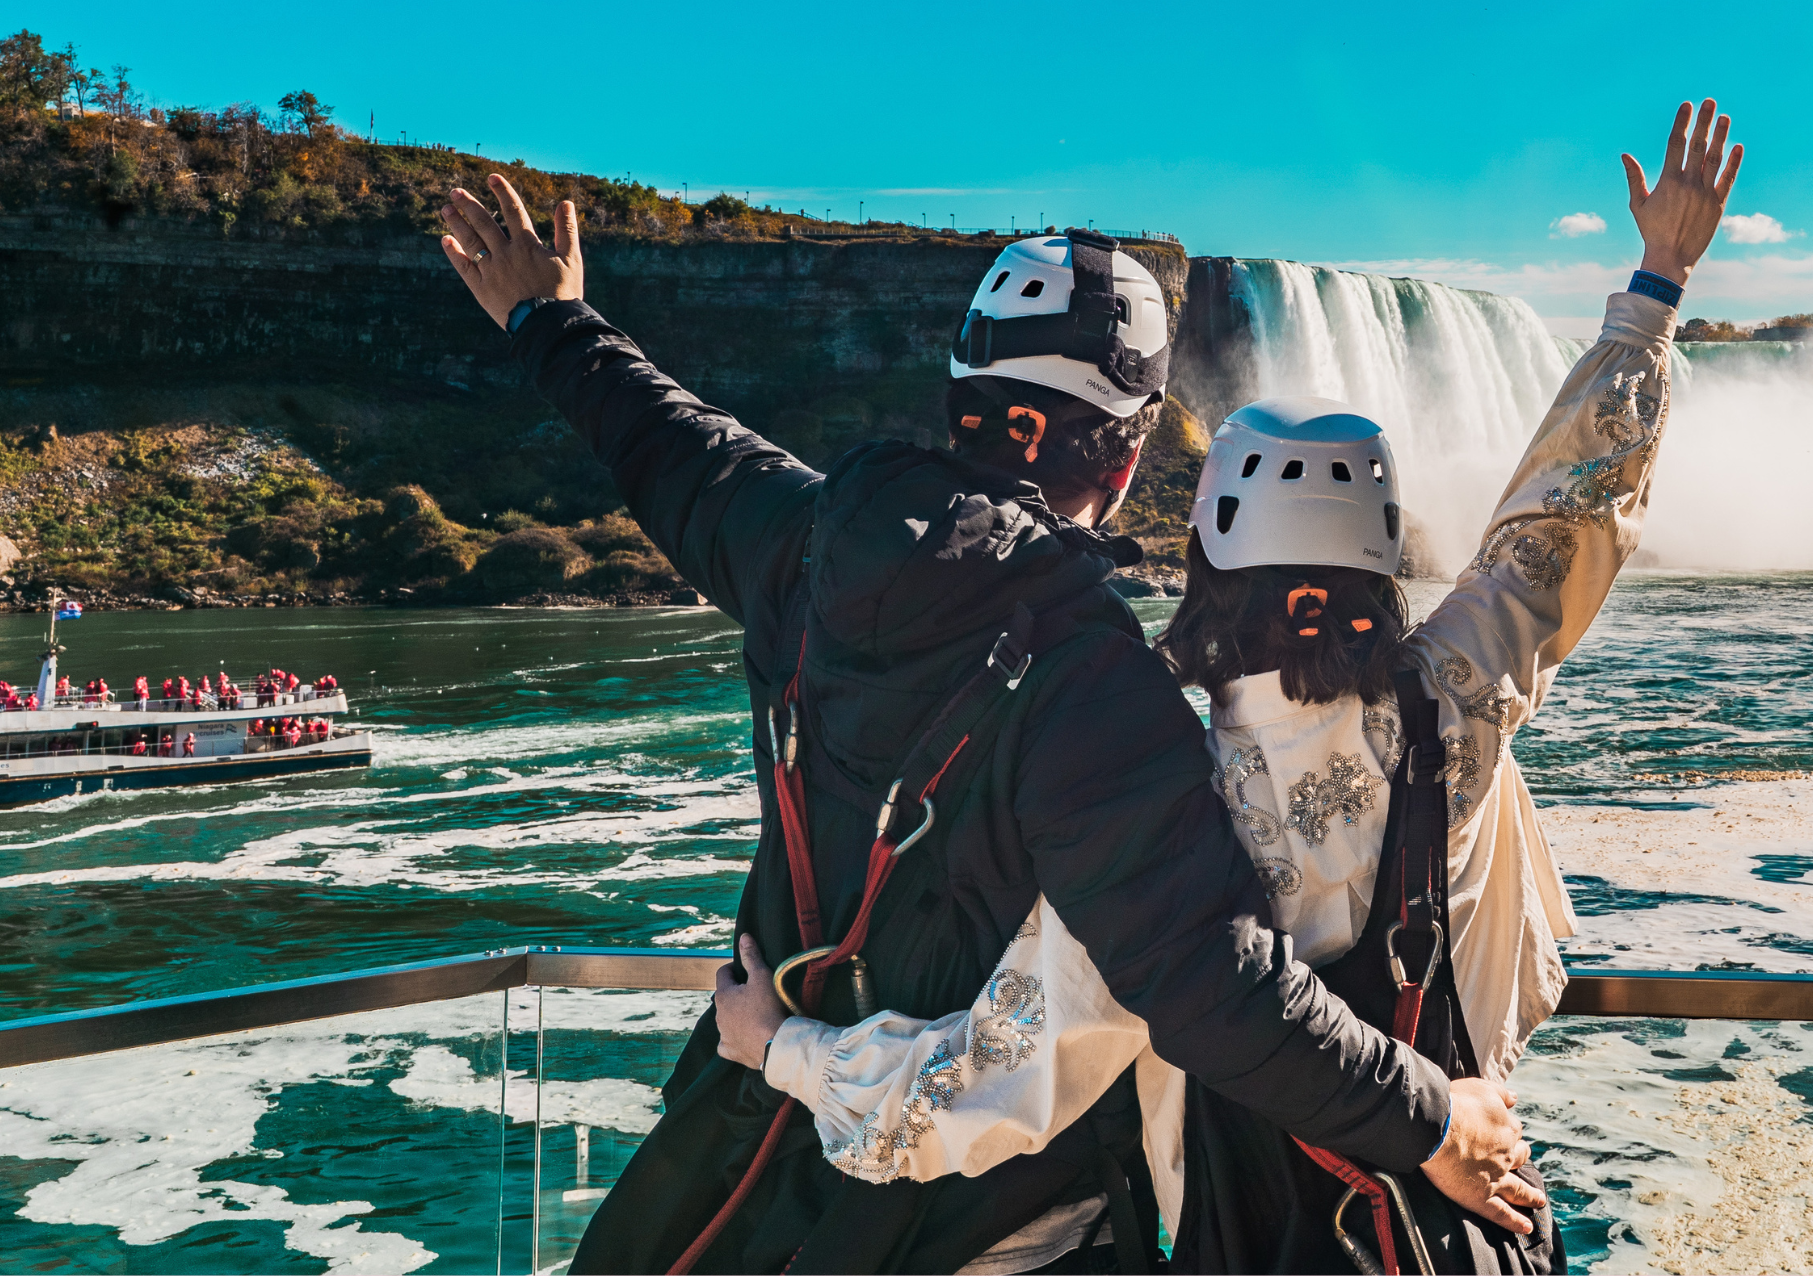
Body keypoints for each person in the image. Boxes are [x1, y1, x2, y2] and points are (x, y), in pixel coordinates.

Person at [439, 175, 1539, 1274]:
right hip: (1005, 1228)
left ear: (964, 392)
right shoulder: (1106, 690)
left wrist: (554, 319)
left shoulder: (800, 540)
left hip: (768, 1168)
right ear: (1128, 449)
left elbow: (665, 443)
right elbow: (1216, 987)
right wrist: (1434, 1122)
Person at [1149, 99, 1739, 1274]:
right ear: (1376, 556)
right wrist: (1658, 282)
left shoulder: (1150, 760)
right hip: (1446, 1199)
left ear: (1213, 558)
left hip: (1240, 1215)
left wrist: (792, 1049)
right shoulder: (1448, 700)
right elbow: (1560, 520)